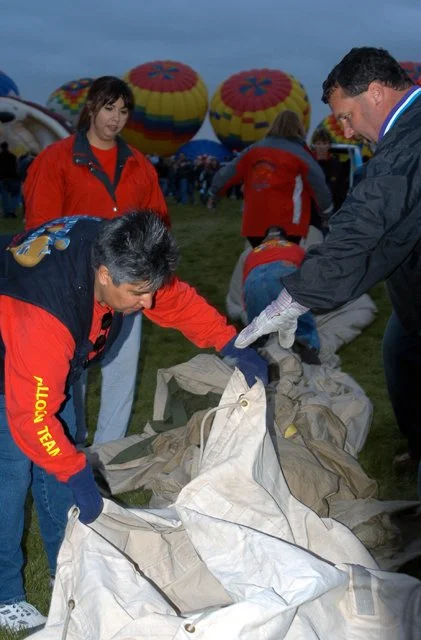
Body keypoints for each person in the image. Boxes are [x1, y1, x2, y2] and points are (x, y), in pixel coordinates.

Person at [0, 210, 268, 633]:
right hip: (12, 344)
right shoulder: (45, 318)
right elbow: (32, 420)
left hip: (45, 348)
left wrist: (230, 343)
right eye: (139, 294)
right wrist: (76, 471)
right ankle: (6, 596)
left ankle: (64, 567)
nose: (148, 303)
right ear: (104, 275)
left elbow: (175, 299)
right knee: (11, 475)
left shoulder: (121, 250)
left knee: (60, 463)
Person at [234, 46, 421, 496]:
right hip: (412, 300)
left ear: (376, 93)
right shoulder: (406, 137)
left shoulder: (407, 146)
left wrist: (291, 299)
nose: (347, 130)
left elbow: (363, 230)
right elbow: (388, 239)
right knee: (399, 353)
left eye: (347, 116)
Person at [23, 76, 169, 447]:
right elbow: (40, 227)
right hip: (73, 284)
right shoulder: (55, 160)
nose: (115, 118)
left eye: (123, 111)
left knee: (122, 368)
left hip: (126, 280)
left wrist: (147, 269)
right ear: (91, 107)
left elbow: (158, 221)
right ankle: (70, 444)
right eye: (108, 108)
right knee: (71, 370)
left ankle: (109, 450)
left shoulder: (138, 164)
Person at [208, 110, 333, 246]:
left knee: (260, 258)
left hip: (254, 226)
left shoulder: (252, 150)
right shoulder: (301, 154)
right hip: (289, 225)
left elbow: (226, 174)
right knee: (286, 259)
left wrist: (214, 195)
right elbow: (318, 185)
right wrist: (326, 212)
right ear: (298, 129)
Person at [242, 227, 320, 364]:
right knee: (300, 323)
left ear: (264, 240)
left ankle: (259, 354)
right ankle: (306, 346)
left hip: (253, 280)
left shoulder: (252, 253)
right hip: (283, 272)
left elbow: (245, 289)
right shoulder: (295, 248)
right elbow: (308, 279)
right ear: (284, 238)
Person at [0, 141, 20, 218]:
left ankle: (6, 212)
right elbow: (16, 167)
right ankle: (12, 209)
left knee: (4, 196)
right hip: (13, 178)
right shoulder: (13, 156)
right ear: (7, 147)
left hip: (3, 178)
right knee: (15, 194)